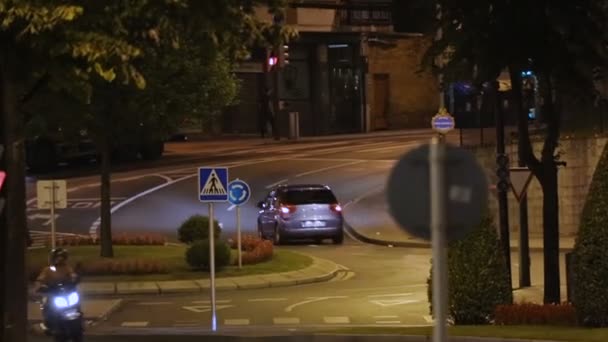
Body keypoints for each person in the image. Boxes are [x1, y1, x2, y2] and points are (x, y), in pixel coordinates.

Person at [35, 248, 78, 331]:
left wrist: (74, 278)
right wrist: (39, 285)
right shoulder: (48, 270)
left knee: (76, 302)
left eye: (62, 257)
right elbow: (40, 279)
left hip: (66, 292)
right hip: (52, 292)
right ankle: (48, 322)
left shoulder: (67, 268)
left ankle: (78, 320)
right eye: (58, 257)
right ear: (53, 258)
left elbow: (72, 275)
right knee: (47, 302)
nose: (60, 259)